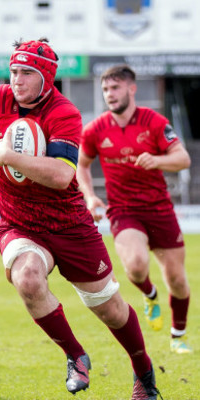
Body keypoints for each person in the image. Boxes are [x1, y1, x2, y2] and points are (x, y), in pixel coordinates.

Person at [0, 38, 160, 400]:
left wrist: (9, 156)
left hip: (70, 225)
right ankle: (75, 356)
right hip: (20, 223)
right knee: (26, 279)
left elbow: (62, 175)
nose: (17, 80)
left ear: (46, 76)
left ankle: (143, 368)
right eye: (13, 71)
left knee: (109, 309)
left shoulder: (65, 113)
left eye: (27, 72)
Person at [77, 64, 192, 354]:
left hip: (160, 210)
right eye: (105, 89)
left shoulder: (154, 122)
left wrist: (157, 160)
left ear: (131, 88)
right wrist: (90, 197)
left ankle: (178, 336)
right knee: (136, 266)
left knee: (177, 280)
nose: (109, 94)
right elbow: (81, 165)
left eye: (115, 88)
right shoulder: (95, 130)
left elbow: (182, 159)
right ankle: (150, 295)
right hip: (123, 210)